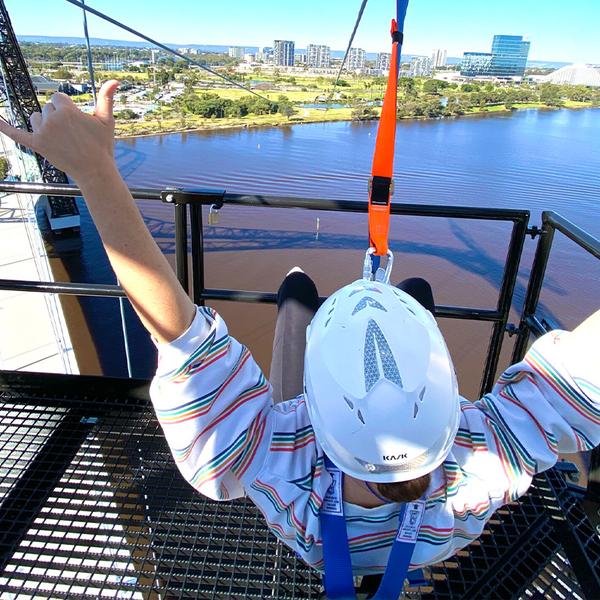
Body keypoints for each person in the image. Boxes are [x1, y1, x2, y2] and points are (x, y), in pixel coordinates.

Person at [0, 81, 598, 588]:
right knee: (412, 287)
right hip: (426, 544)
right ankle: (386, 300)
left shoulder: (267, 455)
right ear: (445, 400)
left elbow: (178, 333)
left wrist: (93, 170)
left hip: (322, 538)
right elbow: (584, 374)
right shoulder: (485, 459)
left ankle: (301, 293)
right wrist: (97, 172)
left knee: (292, 294)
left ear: (313, 409)